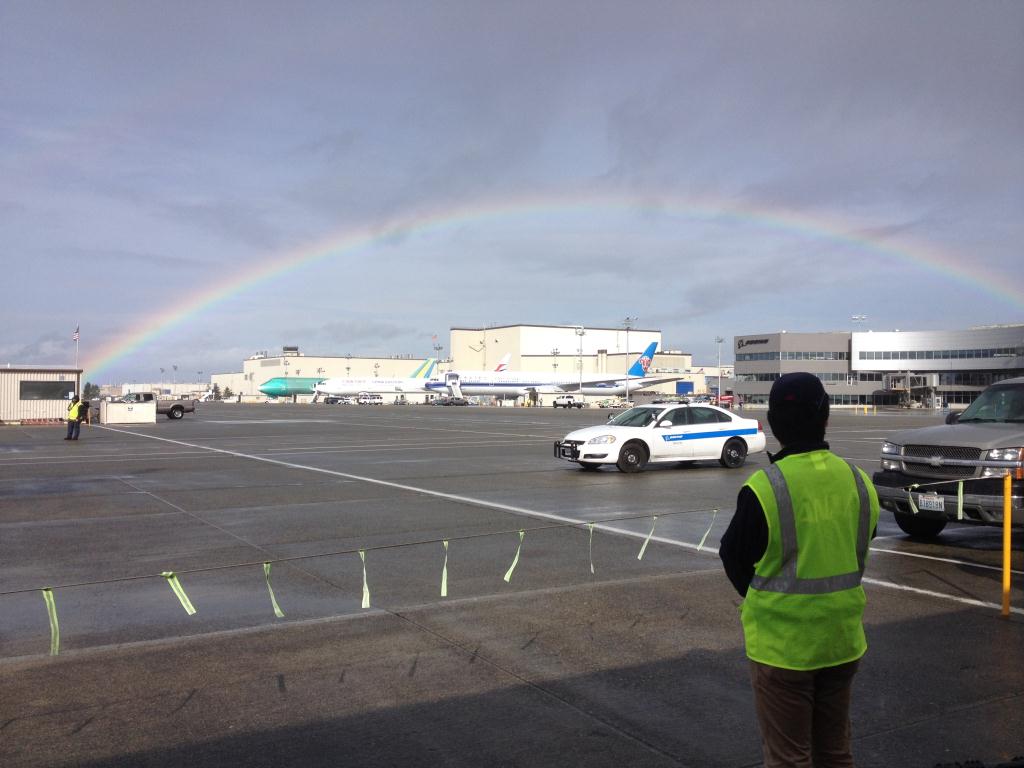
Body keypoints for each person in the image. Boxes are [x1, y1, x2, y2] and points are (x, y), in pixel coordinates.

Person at [719, 372, 879, 768]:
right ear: (825, 417)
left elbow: (733, 556)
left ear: (772, 424)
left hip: (783, 649)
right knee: (835, 752)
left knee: (790, 758)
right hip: (842, 642)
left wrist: (761, 594)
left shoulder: (765, 487)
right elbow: (862, 539)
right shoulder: (859, 481)